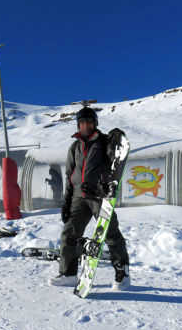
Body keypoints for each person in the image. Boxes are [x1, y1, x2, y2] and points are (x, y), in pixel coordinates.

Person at [48, 106, 130, 290]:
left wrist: (117, 139)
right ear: (78, 124)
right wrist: (66, 203)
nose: (86, 125)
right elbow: (70, 176)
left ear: (95, 123)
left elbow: (114, 159)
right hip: (78, 197)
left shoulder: (103, 142)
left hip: (99, 196)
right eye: (82, 122)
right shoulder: (75, 147)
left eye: (89, 121)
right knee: (69, 233)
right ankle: (68, 274)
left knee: (110, 234)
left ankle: (122, 273)